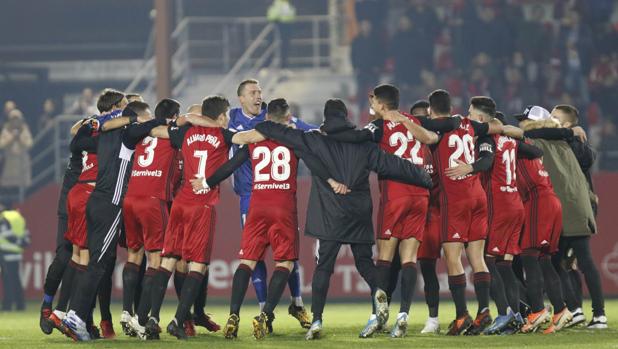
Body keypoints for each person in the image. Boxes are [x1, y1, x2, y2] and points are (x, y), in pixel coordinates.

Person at [253, 98, 433, 340]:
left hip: (329, 214)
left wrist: (263, 126)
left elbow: (277, 131)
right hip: (358, 212)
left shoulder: (314, 139)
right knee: (365, 263)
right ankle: (379, 291)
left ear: (326, 117)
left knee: (324, 268)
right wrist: (423, 177)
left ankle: (316, 320)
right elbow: (393, 165)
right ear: (346, 116)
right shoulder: (364, 144)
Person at [189, 98, 341, 340]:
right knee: (285, 263)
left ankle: (233, 314)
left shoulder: (253, 138)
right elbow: (313, 162)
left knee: (247, 261)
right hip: (283, 207)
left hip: (257, 206)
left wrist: (207, 182)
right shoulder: (294, 139)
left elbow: (231, 165)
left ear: (267, 117)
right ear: (288, 118)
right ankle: (265, 315)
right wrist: (332, 180)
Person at [60, 94, 166, 341]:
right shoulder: (127, 136)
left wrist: (95, 122)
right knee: (98, 264)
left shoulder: (104, 137)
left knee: (98, 261)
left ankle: (75, 316)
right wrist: (152, 119)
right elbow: (151, 123)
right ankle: (75, 316)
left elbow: (76, 143)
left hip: (95, 202)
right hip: (110, 204)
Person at [228, 79, 314, 329]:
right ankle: (265, 310)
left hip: (261, 197)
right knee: (267, 256)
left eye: (260, 93)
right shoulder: (230, 117)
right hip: (251, 197)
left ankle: (296, 304)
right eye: (253, 93)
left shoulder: (269, 120)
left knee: (274, 256)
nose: (258, 97)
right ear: (241, 98)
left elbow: (311, 128)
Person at [429, 91, 515, 336]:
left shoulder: (439, 128)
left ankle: (461, 315)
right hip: (478, 197)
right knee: (477, 258)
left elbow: (425, 131)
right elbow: (495, 133)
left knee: (453, 258)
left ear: (432, 110)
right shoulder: (472, 127)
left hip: (455, 198)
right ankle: (484, 310)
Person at [522, 105, 607, 329]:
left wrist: (572, 135)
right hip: (565, 207)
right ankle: (575, 309)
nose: (552, 121)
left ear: (566, 124)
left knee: (582, 261)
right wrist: (570, 132)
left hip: (577, 205)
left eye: (556, 118)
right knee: (561, 262)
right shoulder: (558, 138)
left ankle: (598, 314)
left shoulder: (574, 145)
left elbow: (588, 158)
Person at [121, 98, 182, 335]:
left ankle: (126, 311)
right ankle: (141, 318)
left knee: (134, 255)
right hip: (152, 201)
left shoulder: (139, 134)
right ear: (173, 116)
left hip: (130, 199)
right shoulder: (171, 134)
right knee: (156, 262)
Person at [0, 207, 30, 311]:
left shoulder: (3, 217)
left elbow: (5, 234)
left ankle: (7, 306)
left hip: (5, 253)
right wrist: (20, 243)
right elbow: (26, 238)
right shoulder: (19, 217)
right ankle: (20, 305)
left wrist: (17, 242)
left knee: (7, 281)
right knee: (15, 280)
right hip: (16, 253)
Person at [0, 109, 33, 191]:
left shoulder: (25, 130)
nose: (15, 121)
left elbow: (30, 144)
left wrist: (19, 138)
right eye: (13, 119)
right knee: (9, 187)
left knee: (23, 188)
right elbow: (1, 144)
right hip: (10, 163)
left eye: (17, 119)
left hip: (22, 162)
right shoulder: (5, 130)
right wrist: (12, 138)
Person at [267, 0, 296, 68]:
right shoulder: (284, 3)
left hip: (282, 25)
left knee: (280, 47)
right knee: (283, 47)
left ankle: (281, 66)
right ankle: (281, 66)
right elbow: (292, 15)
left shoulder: (281, 3)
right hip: (284, 25)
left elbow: (272, 15)